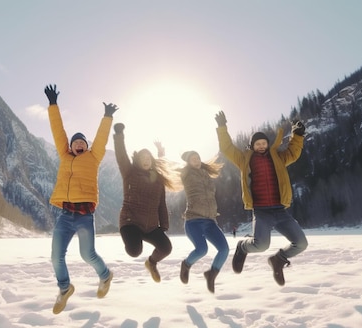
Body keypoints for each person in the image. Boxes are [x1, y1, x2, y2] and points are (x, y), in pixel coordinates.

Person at [44, 84, 117, 314]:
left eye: (82, 142)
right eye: (75, 142)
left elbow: (101, 139)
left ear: (86, 146)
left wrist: (107, 117)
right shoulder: (64, 156)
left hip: (85, 216)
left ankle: (105, 276)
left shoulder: (94, 157)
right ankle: (64, 288)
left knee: (88, 255)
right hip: (65, 215)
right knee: (56, 257)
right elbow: (58, 132)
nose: (78, 144)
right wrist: (53, 105)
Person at [215, 110, 308, 286]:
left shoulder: (278, 157)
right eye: (257, 143)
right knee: (261, 245)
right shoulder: (244, 159)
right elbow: (227, 148)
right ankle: (242, 247)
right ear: (252, 145)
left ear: (268, 144)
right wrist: (222, 127)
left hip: (280, 210)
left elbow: (293, 153)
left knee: (301, 243)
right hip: (262, 211)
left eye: (264, 142)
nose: (261, 146)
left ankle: (278, 259)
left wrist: (298, 135)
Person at [113, 122, 174, 283]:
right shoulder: (129, 172)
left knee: (166, 248)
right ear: (137, 160)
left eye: (148, 158)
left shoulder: (158, 180)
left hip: (151, 225)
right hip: (130, 222)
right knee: (134, 251)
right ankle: (132, 240)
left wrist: (164, 224)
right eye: (142, 158)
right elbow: (121, 156)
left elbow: (162, 203)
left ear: (152, 161)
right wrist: (119, 135)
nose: (146, 160)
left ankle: (151, 263)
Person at [178, 150, 229, 293]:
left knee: (224, 249)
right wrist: (161, 154)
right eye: (193, 159)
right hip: (194, 220)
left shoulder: (206, 175)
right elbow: (174, 169)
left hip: (210, 221)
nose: (196, 160)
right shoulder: (186, 173)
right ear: (188, 162)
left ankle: (211, 274)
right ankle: (186, 265)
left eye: (198, 157)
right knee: (202, 250)